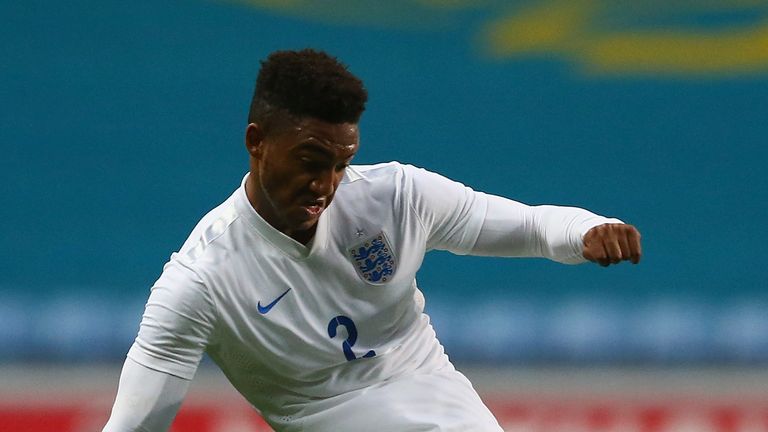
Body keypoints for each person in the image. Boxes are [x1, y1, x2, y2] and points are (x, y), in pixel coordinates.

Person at [102, 48, 642, 432]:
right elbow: (134, 423)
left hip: (437, 403)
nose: (325, 185)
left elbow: (525, 225)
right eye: (310, 161)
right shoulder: (201, 281)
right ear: (256, 142)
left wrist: (584, 230)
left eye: (341, 164)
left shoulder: (395, 197)